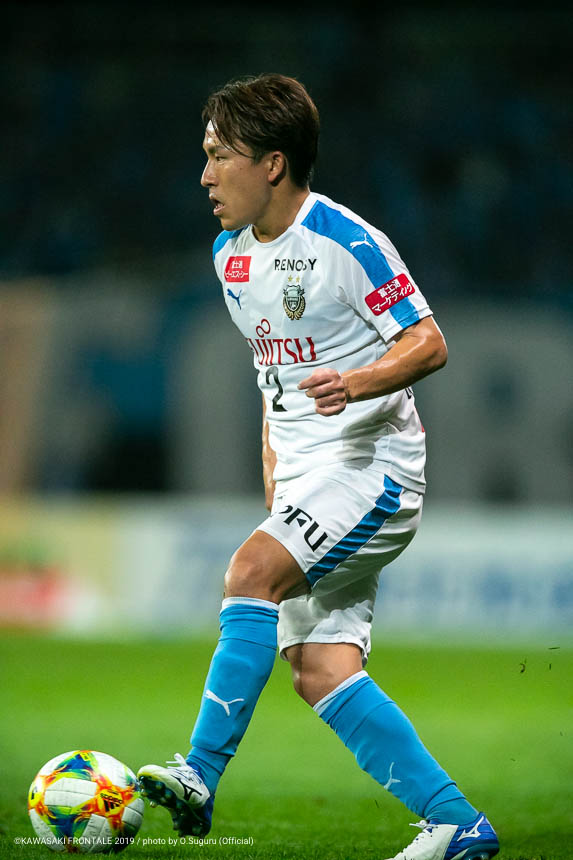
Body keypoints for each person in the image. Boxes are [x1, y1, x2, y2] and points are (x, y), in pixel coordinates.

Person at [138, 74, 499, 860]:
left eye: (219, 156)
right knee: (319, 668)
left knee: (249, 573)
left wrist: (358, 382)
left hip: (373, 470)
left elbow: (428, 341)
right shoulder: (230, 257)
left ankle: (198, 773)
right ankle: (457, 825)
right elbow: (272, 382)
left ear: (271, 163)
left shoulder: (345, 242)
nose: (204, 176)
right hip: (309, 478)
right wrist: (278, 483)